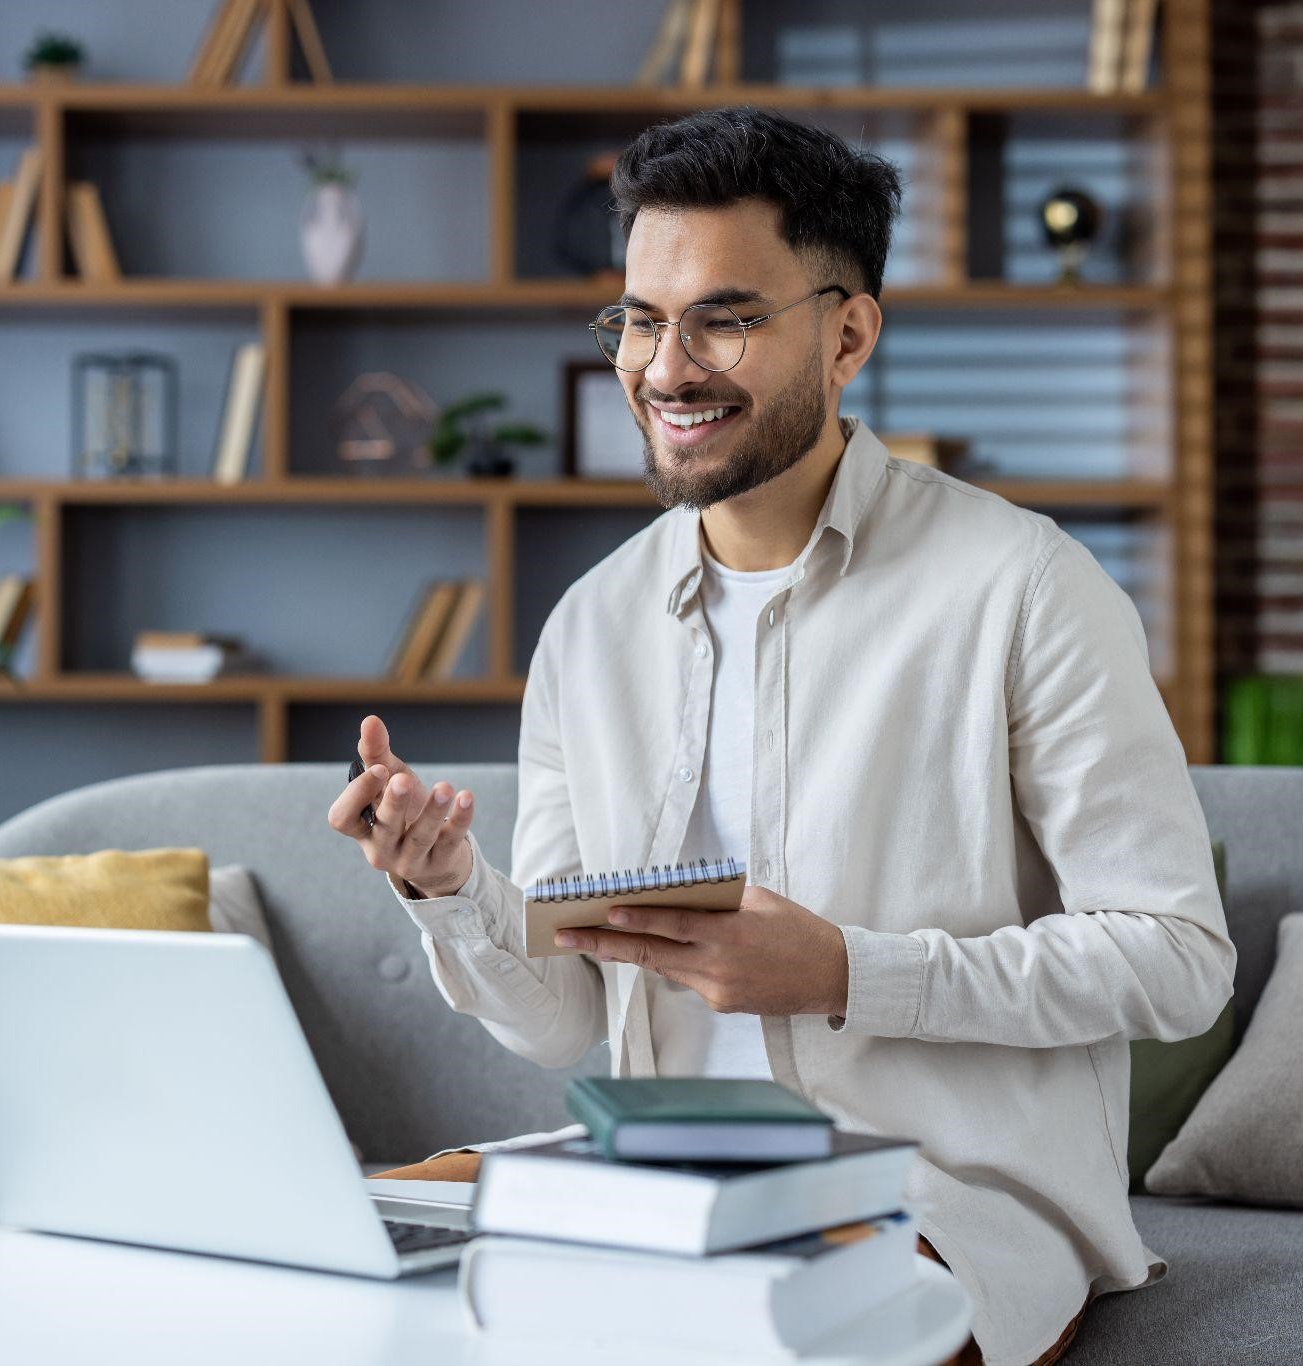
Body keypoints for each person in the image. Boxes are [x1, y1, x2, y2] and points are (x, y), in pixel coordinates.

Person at [327, 107, 1234, 1366]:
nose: (665, 368)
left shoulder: (1024, 587)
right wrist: (447, 889)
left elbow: (1177, 960)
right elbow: (560, 1018)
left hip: (930, 1200)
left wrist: (844, 973)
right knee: (351, 1278)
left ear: (848, 331)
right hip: (653, 1179)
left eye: (725, 317)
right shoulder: (591, 625)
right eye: (641, 319)